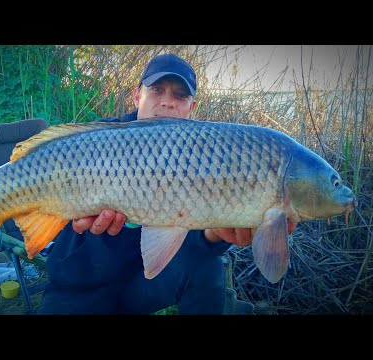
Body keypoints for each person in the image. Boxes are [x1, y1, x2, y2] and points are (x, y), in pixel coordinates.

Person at [37, 53, 296, 315]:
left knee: (209, 266)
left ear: (191, 108)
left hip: (140, 284)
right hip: (79, 285)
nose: (167, 103)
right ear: (137, 96)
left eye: (180, 95)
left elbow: (190, 239)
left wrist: (213, 236)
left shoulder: (204, 152)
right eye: (157, 90)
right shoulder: (99, 141)